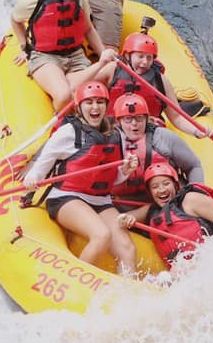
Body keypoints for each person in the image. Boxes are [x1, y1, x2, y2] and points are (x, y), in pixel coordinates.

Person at [23, 81, 139, 276]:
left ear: (106, 105)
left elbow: (113, 178)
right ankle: (75, 284)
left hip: (101, 200)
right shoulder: (68, 133)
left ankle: (127, 291)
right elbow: (42, 165)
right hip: (67, 197)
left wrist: (125, 171)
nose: (95, 107)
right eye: (89, 102)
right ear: (80, 107)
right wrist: (32, 179)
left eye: (100, 102)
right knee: (101, 235)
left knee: (128, 249)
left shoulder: (116, 134)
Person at [11, 0, 116, 110]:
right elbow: (15, 20)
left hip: (75, 57)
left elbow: (88, 29)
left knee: (111, 70)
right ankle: (64, 125)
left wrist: (103, 55)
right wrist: (25, 47)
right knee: (64, 95)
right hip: (45, 58)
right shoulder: (30, 1)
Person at [117, 162, 213, 270]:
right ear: (150, 192)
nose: (161, 190)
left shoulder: (191, 199)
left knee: (178, 271)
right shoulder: (151, 210)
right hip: (183, 270)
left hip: (209, 260)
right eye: (155, 187)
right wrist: (128, 219)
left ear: (175, 185)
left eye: (166, 183)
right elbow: (124, 217)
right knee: (172, 274)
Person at [95, 30, 202, 133]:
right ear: (127, 56)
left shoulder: (160, 80)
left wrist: (196, 132)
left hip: (147, 132)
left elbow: (176, 117)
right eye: (140, 56)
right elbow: (85, 87)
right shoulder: (112, 69)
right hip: (112, 128)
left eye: (149, 58)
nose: (145, 62)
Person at [110, 93, 205, 201]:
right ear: (118, 121)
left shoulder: (163, 137)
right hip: (122, 201)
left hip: (167, 200)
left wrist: (195, 194)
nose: (134, 123)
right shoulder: (108, 142)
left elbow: (193, 165)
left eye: (139, 118)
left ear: (146, 119)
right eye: (128, 119)